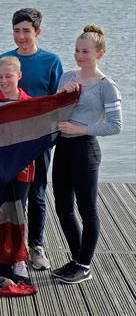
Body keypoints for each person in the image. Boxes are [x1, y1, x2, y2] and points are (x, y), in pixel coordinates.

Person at [0, 8, 63, 272]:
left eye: (26, 31)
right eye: (16, 31)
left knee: (37, 192)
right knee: (12, 194)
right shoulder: (5, 60)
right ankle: (13, 248)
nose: (21, 36)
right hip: (11, 141)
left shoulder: (51, 61)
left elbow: (57, 102)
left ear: (37, 32)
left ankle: (36, 246)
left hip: (40, 139)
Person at [51, 25, 121, 285]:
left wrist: (80, 128)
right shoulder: (67, 76)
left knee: (87, 208)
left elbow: (115, 125)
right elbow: (54, 113)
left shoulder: (106, 86)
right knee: (62, 207)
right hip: (63, 147)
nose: (80, 55)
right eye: (77, 50)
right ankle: (76, 258)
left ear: (100, 54)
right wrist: (60, 96)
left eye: (86, 51)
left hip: (86, 148)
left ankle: (85, 264)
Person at [0, 56, 35, 279]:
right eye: (0, 77)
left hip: (22, 169)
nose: (4, 81)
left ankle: (19, 259)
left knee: (18, 213)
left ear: (19, 76)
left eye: (9, 76)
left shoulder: (32, 105)